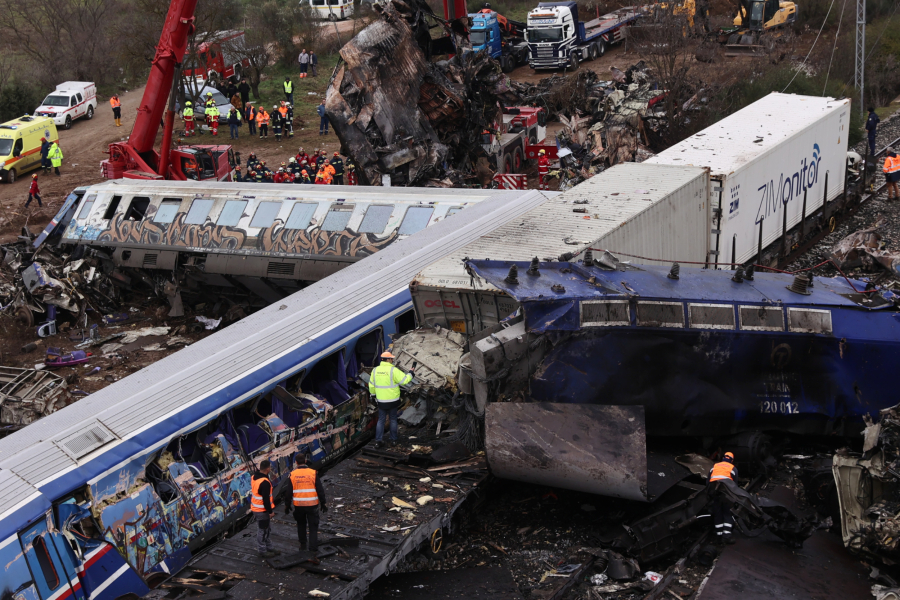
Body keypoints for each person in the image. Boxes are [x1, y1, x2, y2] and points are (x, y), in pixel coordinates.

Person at [368, 351, 413, 448]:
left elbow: (371, 385)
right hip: (393, 400)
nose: (392, 360)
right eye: (391, 358)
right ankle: (393, 440)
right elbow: (404, 381)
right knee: (393, 419)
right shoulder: (393, 370)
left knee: (381, 420)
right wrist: (411, 374)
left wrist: (373, 395)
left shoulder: (375, 370)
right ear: (387, 359)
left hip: (381, 401)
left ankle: (378, 441)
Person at [284, 454, 328, 552]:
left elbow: (288, 492)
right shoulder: (313, 473)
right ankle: (313, 549)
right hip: (312, 504)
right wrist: (323, 503)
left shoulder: (293, 474)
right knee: (313, 527)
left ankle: (303, 545)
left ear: (296, 462)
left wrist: (287, 505)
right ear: (305, 461)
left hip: (299, 505)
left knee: (301, 524)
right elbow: (320, 489)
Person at [251, 460, 280, 558]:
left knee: (266, 529)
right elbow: (265, 499)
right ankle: (262, 550)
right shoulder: (265, 483)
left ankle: (269, 547)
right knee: (262, 530)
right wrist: (270, 511)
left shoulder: (255, 477)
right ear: (268, 469)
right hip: (261, 510)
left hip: (256, 508)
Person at [708, 452, 738, 546]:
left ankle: (718, 536)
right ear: (732, 460)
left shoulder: (715, 466)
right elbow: (734, 486)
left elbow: (708, 480)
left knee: (717, 513)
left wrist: (710, 494)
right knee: (728, 513)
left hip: (714, 492)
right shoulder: (733, 468)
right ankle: (726, 536)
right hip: (726, 493)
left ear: (723, 458)